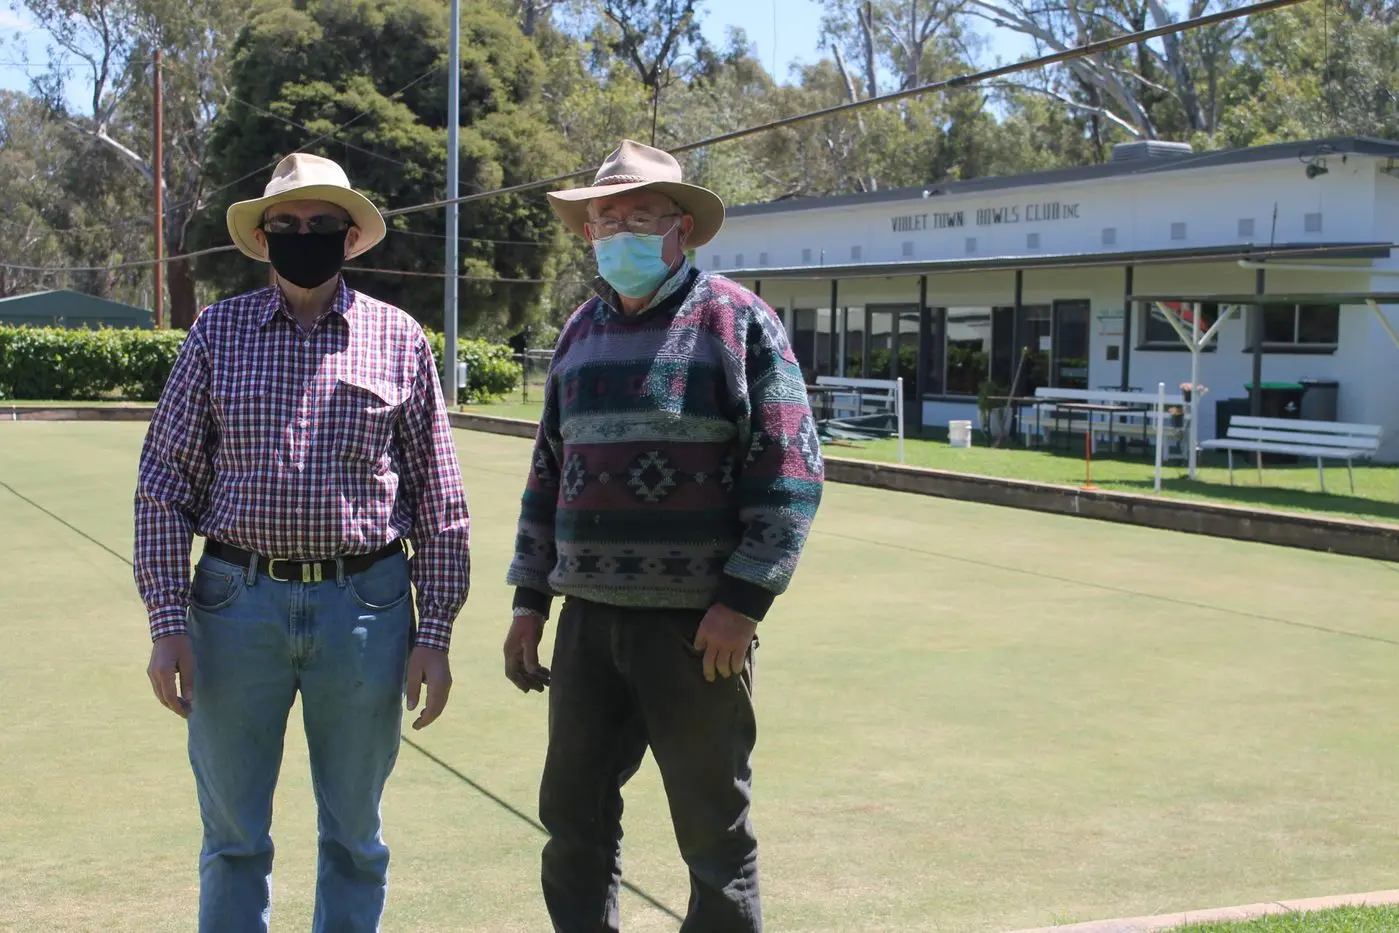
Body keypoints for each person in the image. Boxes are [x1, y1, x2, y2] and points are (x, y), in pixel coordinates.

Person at [133, 152, 470, 933]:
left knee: (355, 835)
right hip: (232, 603)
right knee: (233, 835)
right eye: (284, 225)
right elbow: (163, 484)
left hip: (366, 606)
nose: (302, 236)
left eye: (320, 225)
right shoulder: (217, 333)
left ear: (350, 238)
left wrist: (437, 631)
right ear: (263, 237)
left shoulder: (398, 338)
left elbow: (438, 498)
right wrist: (165, 621)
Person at [501, 139, 825, 933]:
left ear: (681, 226)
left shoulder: (737, 320)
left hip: (697, 631)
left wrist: (742, 601)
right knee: (572, 821)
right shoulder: (578, 333)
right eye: (603, 217)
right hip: (588, 624)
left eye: (638, 215)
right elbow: (549, 471)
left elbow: (791, 468)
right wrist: (528, 598)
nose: (617, 230)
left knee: (713, 834)